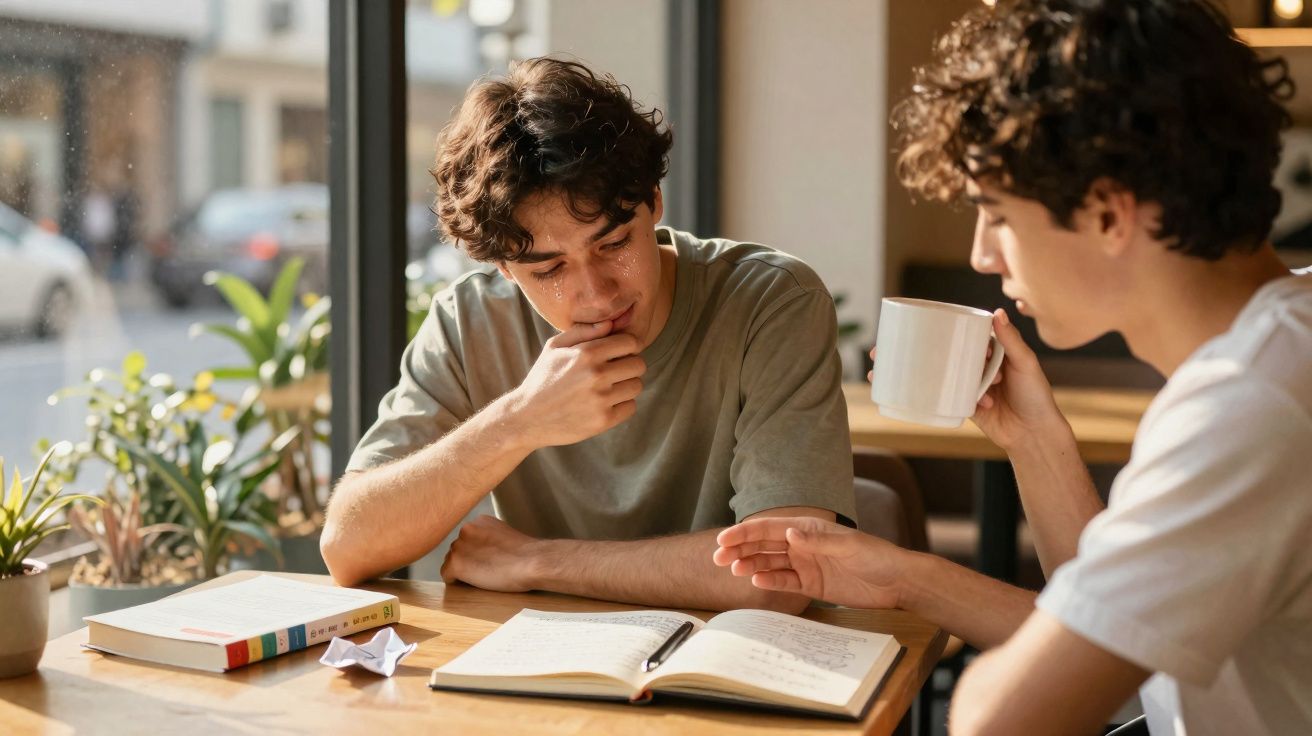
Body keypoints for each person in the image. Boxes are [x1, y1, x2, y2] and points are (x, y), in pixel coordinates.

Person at [714, 1, 1312, 733]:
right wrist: (1021, 453)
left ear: (1107, 212)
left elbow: (1000, 719)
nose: (981, 255)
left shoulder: (1248, 407)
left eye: (996, 213)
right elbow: (1126, 641)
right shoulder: (1283, 344)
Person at [320, 58, 857, 614]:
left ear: (654, 201)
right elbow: (347, 546)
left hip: (728, 668)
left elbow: (782, 574)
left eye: (614, 244)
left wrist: (539, 563)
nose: (597, 294)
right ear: (505, 268)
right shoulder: (470, 322)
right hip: (542, 670)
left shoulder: (771, 301)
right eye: (549, 270)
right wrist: (518, 422)